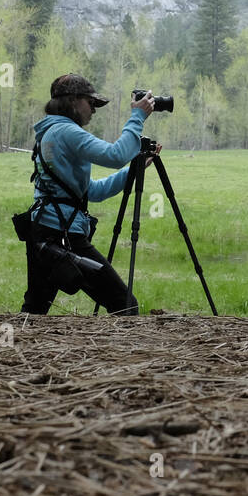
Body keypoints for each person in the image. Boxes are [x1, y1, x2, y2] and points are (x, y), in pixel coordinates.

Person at [21, 73, 159, 315]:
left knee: (34, 311)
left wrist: (134, 170)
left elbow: (91, 192)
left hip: (42, 231)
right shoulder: (66, 132)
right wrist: (137, 116)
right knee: (124, 304)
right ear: (73, 101)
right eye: (91, 103)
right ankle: (122, 353)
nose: (94, 110)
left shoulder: (51, 132)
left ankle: (15, 351)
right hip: (63, 235)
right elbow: (115, 155)